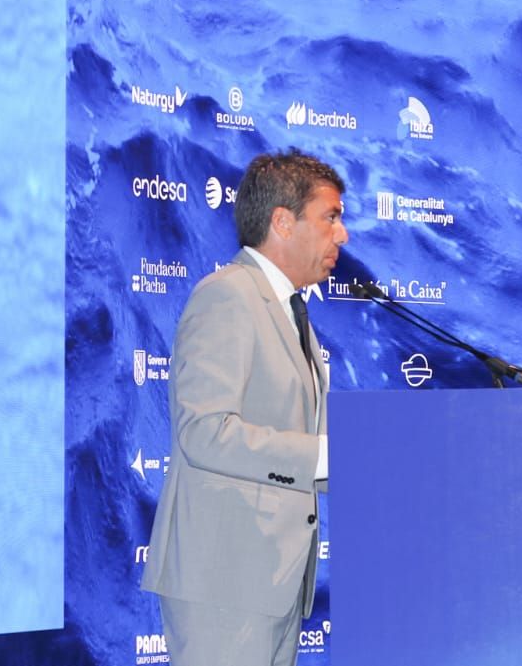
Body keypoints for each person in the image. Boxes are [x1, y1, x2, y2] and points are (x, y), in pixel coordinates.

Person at [141, 149, 347, 666]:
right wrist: (323, 458)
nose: (341, 236)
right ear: (282, 222)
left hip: (271, 582)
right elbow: (205, 431)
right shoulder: (227, 297)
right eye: (331, 218)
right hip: (225, 581)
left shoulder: (290, 310)